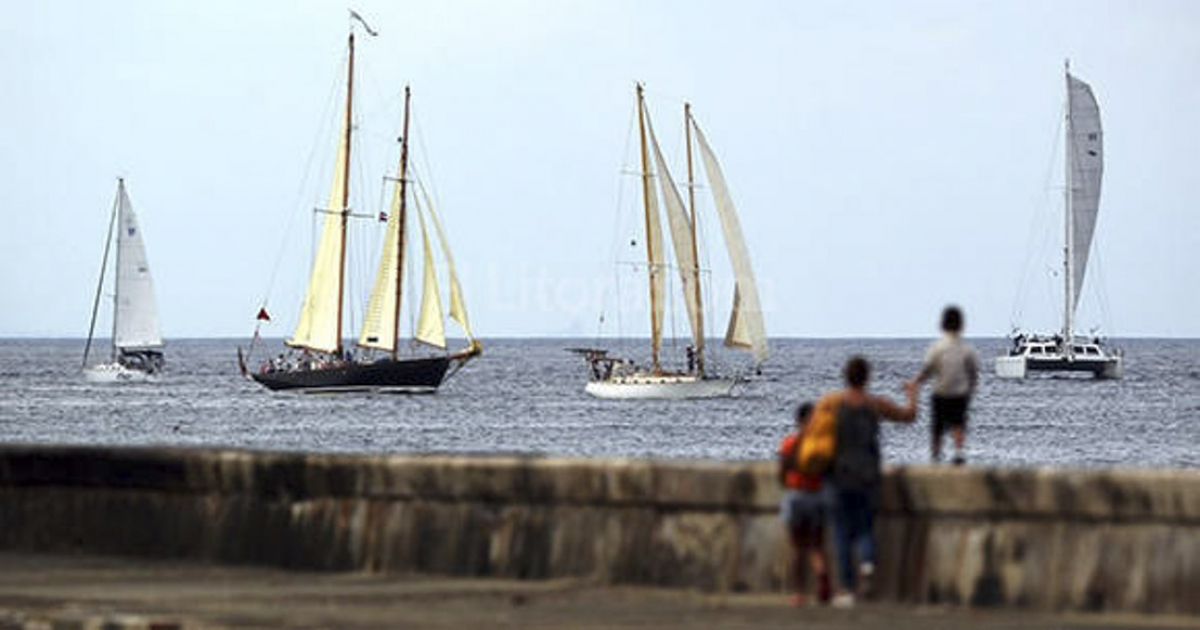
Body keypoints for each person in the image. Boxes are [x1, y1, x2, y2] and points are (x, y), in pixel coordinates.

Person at [826, 355, 917, 608]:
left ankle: (846, 589)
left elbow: (814, 429)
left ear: (846, 376)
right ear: (867, 377)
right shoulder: (874, 404)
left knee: (842, 533)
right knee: (865, 526)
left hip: (840, 476)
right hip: (868, 477)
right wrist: (912, 393)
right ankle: (867, 564)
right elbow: (908, 416)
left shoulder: (833, 404)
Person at [777, 402, 831, 607]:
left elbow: (782, 470)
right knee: (817, 546)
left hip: (796, 494)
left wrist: (786, 484)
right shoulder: (821, 445)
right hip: (817, 495)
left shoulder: (790, 442)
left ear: (798, 421)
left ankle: (799, 593)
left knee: (797, 548)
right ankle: (822, 575)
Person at [911, 305, 979, 465]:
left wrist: (915, 383)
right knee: (958, 424)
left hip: (941, 392)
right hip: (960, 393)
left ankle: (935, 454)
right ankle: (958, 451)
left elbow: (928, 370)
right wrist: (972, 386)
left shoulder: (937, 347)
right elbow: (973, 370)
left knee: (937, 426)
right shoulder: (966, 348)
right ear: (962, 326)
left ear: (942, 325)